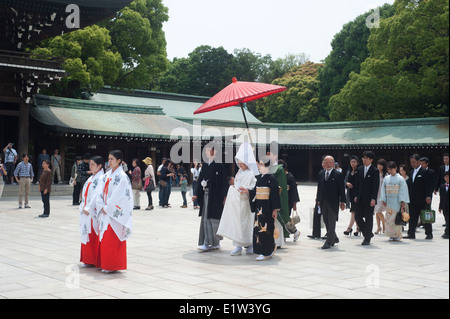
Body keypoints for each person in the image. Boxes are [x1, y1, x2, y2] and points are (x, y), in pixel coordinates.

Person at [217, 142, 258, 256]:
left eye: (242, 162)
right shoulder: (239, 172)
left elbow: (254, 187)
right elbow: (237, 183)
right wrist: (234, 187)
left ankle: (250, 244)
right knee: (237, 223)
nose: (240, 164)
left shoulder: (252, 173)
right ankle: (238, 246)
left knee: (247, 224)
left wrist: (247, 190)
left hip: (246, 203)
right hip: (237, 202)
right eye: (238, 162)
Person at [96, 150, 133, 273]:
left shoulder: (122, 176)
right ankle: (106, 264)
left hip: (113, 213)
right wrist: (101, 205)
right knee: (105, 239)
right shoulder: (107, 176)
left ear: (119, 161)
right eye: (109, 159)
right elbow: (100, 192)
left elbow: (120, 196)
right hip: (105, 210)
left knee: (112, 239)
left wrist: (108, 207)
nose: (109, 162)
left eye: (112, 159)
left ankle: (113, 265)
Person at [193, 145, 228, 252]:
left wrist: (224, 197)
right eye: (206, 150)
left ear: (215, 151)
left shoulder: (219, 165)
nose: (207, 152)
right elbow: (199, 181)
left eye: (209, 150)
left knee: (214, 219)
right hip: (206, 194)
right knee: (205, 219)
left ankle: (215, 242)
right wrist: (196, 194)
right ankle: (206, 242)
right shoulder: (204, 165)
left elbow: (223, 182)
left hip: (215, 196)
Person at [249, 156, 281, 261]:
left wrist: (275, 209)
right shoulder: (259, 178)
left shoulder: (271, 178)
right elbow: (254, 191)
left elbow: (275, 195)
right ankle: (263, 250)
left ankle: (266, 252)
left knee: (267, 229)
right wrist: (247, 191)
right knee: (259, 228)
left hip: (268, 208)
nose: (259, 166)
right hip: (259, 206)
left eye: (261, 164)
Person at [316, 155, 346, 249]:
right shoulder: (321, 173)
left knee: (332, 221)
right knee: (325, 220)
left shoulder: (338, 175)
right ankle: (334, 237)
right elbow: (319, 188)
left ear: (333, 163)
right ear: (323, 163)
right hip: (323, 201)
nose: (328, 164)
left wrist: (343, 202)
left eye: (330, 162)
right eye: (326, 162)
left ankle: (328, 241)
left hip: (333, 202)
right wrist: (318, 199)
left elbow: (342, 189)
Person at [79, 156, 105, 267]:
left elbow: (97, 196)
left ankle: (93, 259)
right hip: (86, 209)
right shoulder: (92, 178)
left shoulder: (101, 178)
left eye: (93, 165)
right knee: (86, 233)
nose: (90, 167)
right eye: (90, 164)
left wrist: (89, 208)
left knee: (93, 234)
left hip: (92, 211)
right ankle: (87, 259)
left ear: (100, 166)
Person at [354, 151, 380, 246]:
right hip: (360, 197)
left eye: (366, 158)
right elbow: (357, 184)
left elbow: (375, 186)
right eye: (363, 158)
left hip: (369, 199)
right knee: (357, 216)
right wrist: (356, 195)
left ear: (371, 160)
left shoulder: (375, 171)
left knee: (369, 218)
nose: (363, 160)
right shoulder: (360, 169)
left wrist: (373, 198)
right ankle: (367, 233)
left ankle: (367, 239)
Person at [405, 154, 434, 240]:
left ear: (418, 162)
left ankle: (429, 234)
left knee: (425, 217)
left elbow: (429, 185)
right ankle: (411, 233)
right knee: (413, 217)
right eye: (411, 162)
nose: (412, 164)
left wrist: (428, 196)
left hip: (422, 199)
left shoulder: (425, 172)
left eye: (414, 162)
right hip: (412, 199)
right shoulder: (411, 172)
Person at [380, 161, 410, 242]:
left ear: (396, 168)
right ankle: (391, 235)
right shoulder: (386, 178)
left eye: (391, 169)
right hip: (389, 200)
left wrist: (402, 201)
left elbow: (403, 191)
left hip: (397, 200)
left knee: (396, 218)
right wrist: (383, 199)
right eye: (389, 169)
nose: (390, 171)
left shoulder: (400, 179)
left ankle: (397, 235)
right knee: (389, 218)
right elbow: (383, 189)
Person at [267, 141, 290, 242]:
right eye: (267, 153)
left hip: (276, 197)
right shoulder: (266, 167)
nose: (268, 155)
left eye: (270, 154)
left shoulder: (280, 169)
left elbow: (281, 188)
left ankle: (278, 241)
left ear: (275, 155)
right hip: (266, 198)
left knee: (276, 220)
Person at [280, 160, 301, 242]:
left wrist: (294, 204)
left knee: (285, 219)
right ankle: (285, 235)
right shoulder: (280, 176)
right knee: (283, 218)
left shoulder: (290, 177)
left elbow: (294, 192)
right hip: (281, 201)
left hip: (288, 202)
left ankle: (295, 231)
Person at [344, 155, 360, 236]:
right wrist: (347, 183)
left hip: (357, 194)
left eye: (354, 162)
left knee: (353, 211)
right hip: (350, 194)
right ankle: (358, 227)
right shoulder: (348, 172)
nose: (353, 163)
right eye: (351, 162)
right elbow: (345, 181)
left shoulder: (359, 171)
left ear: (357, 163)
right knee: (355, 211)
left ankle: (349, 228)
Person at [374, 159, 388, 235]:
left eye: (381, 165)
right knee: (376, 211)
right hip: (375, 194)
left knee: (378, 210)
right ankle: (378, 227)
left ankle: (384, 225)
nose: (379, 166)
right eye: (378, 164)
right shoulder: (375, 173)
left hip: (382, 194)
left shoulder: (386, 175)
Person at [438, 171, 449, 239]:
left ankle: (447, 232)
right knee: (447, 219)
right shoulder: (442, 187)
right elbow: (441, 198)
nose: (447, 178)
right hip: (445, 206)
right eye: (446, 177)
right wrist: (440, 207)